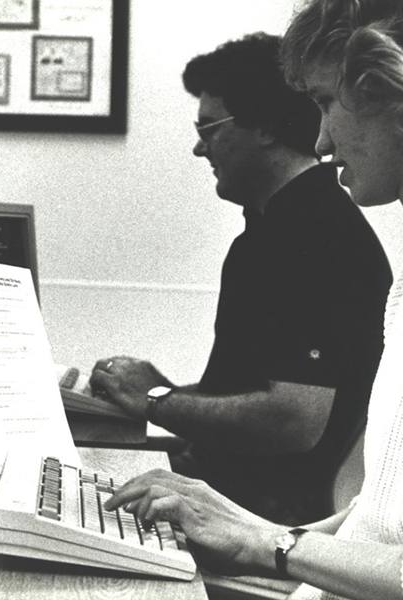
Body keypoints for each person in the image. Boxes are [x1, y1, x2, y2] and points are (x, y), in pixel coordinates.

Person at [105, 1, 403, 598]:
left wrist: (267, 541)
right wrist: (270, 539)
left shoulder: (319, 231)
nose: (320, 139)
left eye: (324, 101)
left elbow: (295, 420)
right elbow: (380, 522)